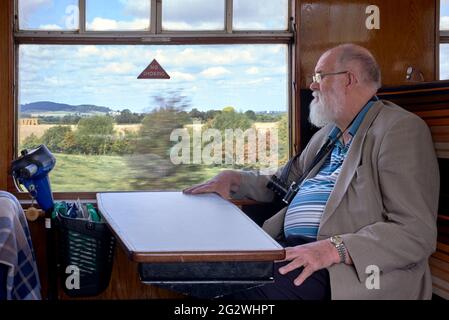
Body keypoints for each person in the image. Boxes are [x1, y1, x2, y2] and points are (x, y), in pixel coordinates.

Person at [183, 43, 440, 300]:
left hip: (346, 270)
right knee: (190, 268)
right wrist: (235, 179)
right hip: (296, 249)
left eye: (319, 76)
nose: (313, 86)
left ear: (349, 79)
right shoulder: (328, 135)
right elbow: (281, 182)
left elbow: (415, 232)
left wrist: (333, 249)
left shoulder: (399, 130)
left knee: (237, 287)